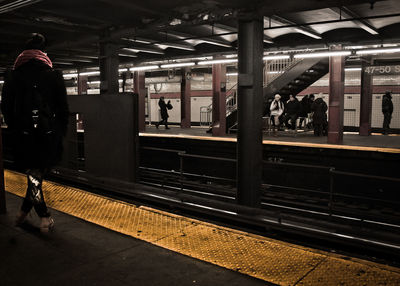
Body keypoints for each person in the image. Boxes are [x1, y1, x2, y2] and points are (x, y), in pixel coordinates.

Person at [1, 33, 69, 231]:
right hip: (48, 136)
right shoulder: (53, 75)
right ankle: (43, 217)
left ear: (24, 52)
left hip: (23, 136)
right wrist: (59, 132)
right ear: (42, 52)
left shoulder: (13, 76)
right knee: (36, 177)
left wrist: (16, 130)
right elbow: (63, 109)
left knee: (34, 176)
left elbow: (6, 108)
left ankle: (26, 214)